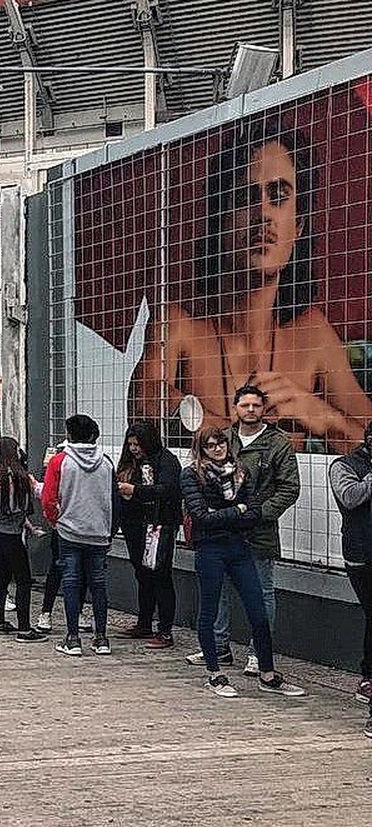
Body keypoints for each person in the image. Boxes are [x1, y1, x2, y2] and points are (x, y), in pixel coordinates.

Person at [130, 118, 372, 452]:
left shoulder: (313, 334)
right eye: (245, 196)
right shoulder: (180, 324)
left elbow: (366, 435)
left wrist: (321, 415)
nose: (263, 213)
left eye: (279, 195)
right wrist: (231, 429)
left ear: (298, 224)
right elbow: (146, 403)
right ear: (221, 219)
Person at [181, 426, 305, 698]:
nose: (217, 449)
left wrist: (228, 513)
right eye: (210, 445)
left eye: (221, 443)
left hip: (239, 547)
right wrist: (236, 510)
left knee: (258, 610)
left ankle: (267, 673)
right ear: (201, 449)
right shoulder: (192, 474)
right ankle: (215, 674)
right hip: (210, 549)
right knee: (210, 610)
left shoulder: (240, 472)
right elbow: (201, 517)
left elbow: (254, 513)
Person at [42, 414, 115, 657]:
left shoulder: (60, 461)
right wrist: (110, 529)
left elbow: (49, 498)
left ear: (69, 434)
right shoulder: (106, 462)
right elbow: (114, 499)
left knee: (71, 582)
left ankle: (73, 638)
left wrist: (55, 521)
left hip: (69, 531)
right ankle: (101, 638)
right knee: (99, 584)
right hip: (99, 532)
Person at [115, 420, 183, 649]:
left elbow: (169, 490)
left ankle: (165, 630)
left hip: (159, 525)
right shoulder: (130, 462)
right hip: (134, 524)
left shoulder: (166, 460)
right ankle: (144, 622)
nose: (134, 448)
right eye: (130, 443)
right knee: (142, 574)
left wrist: (136, 491)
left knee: (160, 574)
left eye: (137, 444)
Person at [0, 437, 46, 640]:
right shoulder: (23, 477)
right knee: (22, 580)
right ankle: (24, 628)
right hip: (14, 533)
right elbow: (41, 492)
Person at [329, 422, 372, 737]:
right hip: (362, 555)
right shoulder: (344, 465)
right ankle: (367, 677)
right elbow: (350, 496)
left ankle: (367, 676)